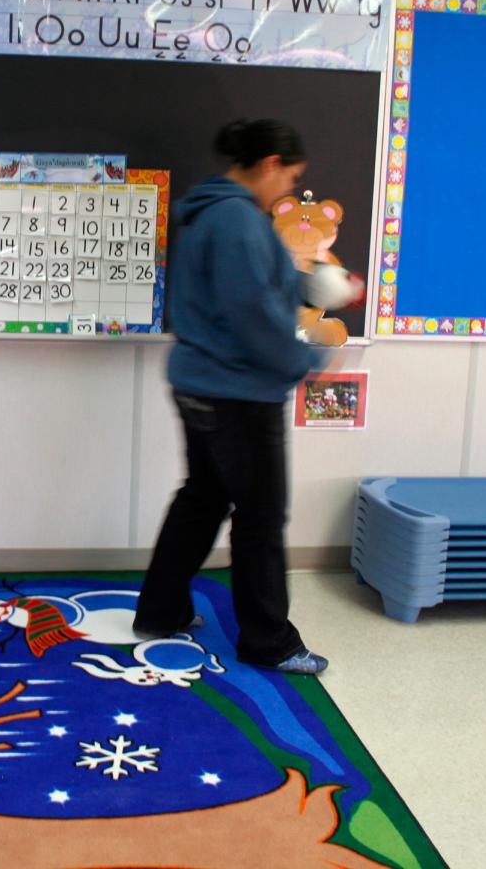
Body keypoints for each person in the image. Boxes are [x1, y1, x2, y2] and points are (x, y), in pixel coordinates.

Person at [133, 118, 336, 675]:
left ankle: (161, 611)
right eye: (290, 178)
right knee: (261, 517)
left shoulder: (213, 212)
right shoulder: (238, 221)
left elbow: (253, 287)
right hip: (238, 394)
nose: (288, 190)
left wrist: (311, 284)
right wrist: (307, 362)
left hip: (202, 383)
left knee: (202, 499)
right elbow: (254, 316)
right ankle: (270, 642)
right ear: (270, 164)